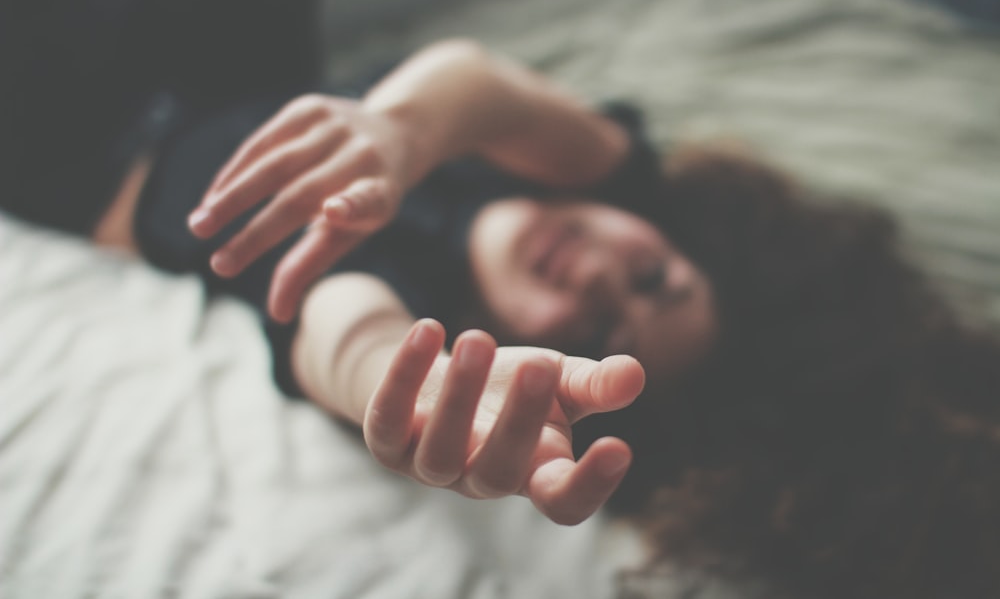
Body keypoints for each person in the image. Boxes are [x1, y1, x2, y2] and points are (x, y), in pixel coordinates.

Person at [96, 39, 1000, 599]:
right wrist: (402, 131)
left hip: (98, 163)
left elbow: (350, 338)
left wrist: (401, 396)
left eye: (601, 331)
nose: (606, 274)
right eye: (656, 275)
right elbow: (483, 84)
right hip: (236, 63)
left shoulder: (402, 291)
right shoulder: (598, 177)